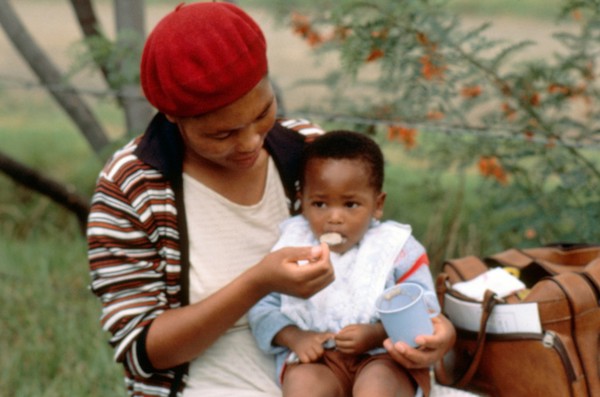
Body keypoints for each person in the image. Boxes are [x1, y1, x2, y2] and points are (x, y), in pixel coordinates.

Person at [86, 2, 455, 397]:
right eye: (222, 134)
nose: (250, 142)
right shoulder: (132, 186)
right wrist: (258, 283)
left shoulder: (308, 152)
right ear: (173, 117)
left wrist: (438, 331)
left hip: (345, 378)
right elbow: (141, 352)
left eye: (263, 112)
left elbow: (376, 261)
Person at [249, 131, 443, 397]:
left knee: (376, 387)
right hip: (320, 360)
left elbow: (424, 311)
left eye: (351, 204)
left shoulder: (397, 249)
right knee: (303, 386)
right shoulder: (291, 248)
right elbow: (262, 307)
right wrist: (295, 337)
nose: (335, 217)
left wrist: (376, 334)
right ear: (302, 201)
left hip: (383, 357)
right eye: (319, 204)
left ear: (377, 204)